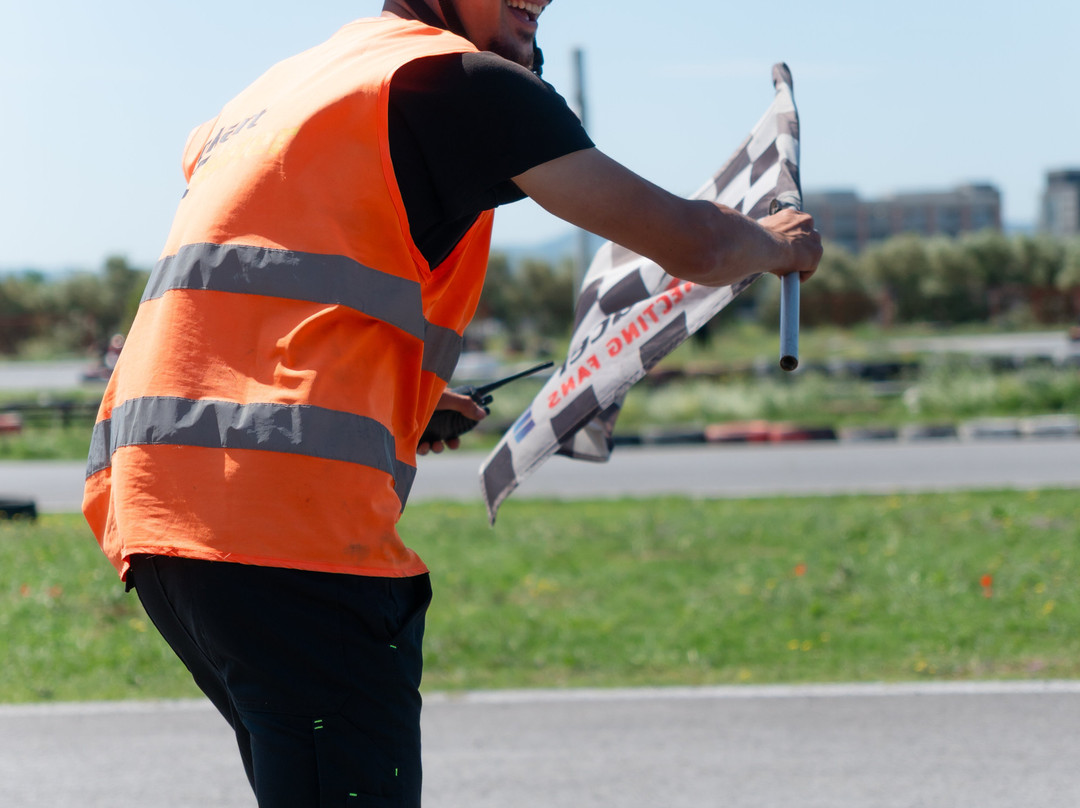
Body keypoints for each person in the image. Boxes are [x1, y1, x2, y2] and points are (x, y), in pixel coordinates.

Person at [82, 1, 823, 805]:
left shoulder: (287, 90)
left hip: (162, 518)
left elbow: (266, 313)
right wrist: (776, 244)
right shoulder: (463, 82)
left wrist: (411, 402)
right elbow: (699, 244)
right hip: (283, 535)